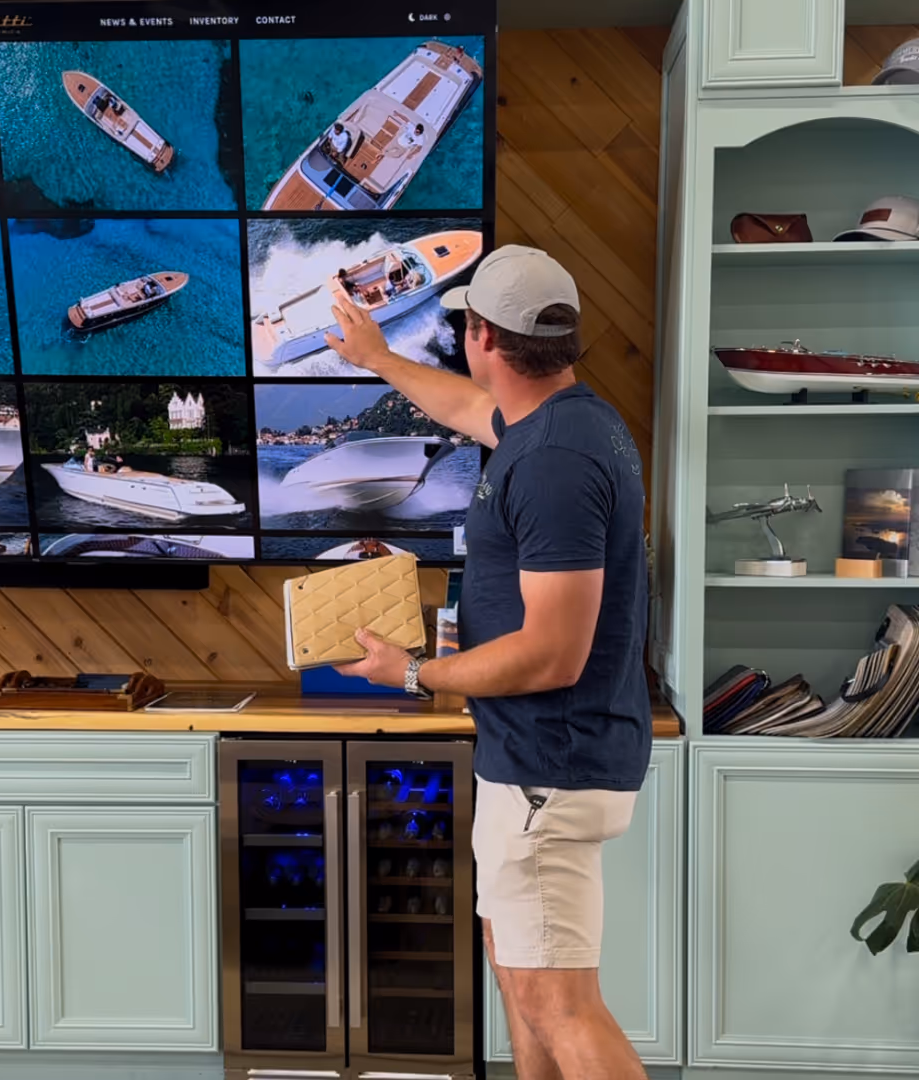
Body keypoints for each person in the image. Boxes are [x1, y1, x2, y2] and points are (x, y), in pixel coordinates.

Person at [324, 244, 653, 1080]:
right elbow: (470, 407)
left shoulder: (552, 462)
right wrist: (378, 357)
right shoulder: (562, 419)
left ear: (483, 336)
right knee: (517, 975)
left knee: (559, 1007)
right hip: (532, 764)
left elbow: (550, 654)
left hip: (552, 765)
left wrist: (413, 673)